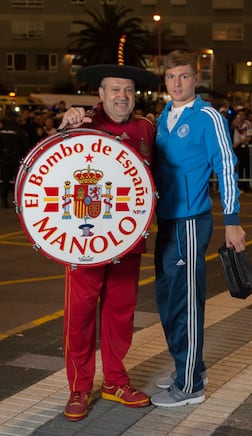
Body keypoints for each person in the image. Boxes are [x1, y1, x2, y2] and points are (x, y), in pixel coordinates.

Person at [57, 63, 159, 421]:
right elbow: (50, 165)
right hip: (83, 242)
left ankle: (115, 381)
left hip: (127, 239)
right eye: (115, 89)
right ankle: (80, 387)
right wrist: (63, 124)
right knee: (80, 316)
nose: (122, 96)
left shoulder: (146, 127)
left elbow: (157, 178)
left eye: (128, 90)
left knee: (120, 314)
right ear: (100, 94)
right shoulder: (83, 123)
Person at [151, 50, 246, 408]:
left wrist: (232, 221)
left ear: (196, 79)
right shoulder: (163, 117)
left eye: (185, 76)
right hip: (167, 221)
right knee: (168, 298)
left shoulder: (207, 116)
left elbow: (225, 167)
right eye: (172, 77)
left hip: (192, 221)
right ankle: (189, 367)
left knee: (186, 302)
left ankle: (189, 385)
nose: (178, 83)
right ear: (165, 80)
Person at [0, 111, 30, 207]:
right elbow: (26, 144)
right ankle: (17, 200)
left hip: (5, 158)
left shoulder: (2, 130)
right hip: (16, 158)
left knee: (5, 179)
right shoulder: (20, 130)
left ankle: (3, 200)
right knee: (18, 180)